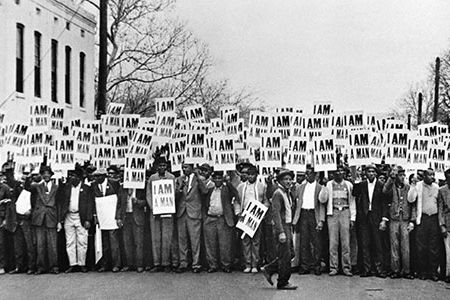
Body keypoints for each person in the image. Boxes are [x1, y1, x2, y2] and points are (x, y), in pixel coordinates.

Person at [262, 168, 297, 290]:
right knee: (285, 255)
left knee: (290, 253)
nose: (288, 181)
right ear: (280, 181)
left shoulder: (288, 192)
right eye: (285, 179)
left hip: (287, 225)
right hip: (281, 226)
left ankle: (269, 269)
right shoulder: (278, 193)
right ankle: (283, 281)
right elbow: (275, 213)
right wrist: (281, 232)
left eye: (290, 179)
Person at [319, 165, 356, 276]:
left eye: (341, 171)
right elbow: (322, 199)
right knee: (333, 242)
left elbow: (352, 202)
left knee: (345, 243)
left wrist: (352, 217)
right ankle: (333, 267)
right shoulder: (329, 184)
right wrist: (324, 186)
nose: (339, 173)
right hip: (333, 213)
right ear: (333, 173)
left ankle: (346, 267)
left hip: (345, 212)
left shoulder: (348, 185)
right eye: (337, 171)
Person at [353, 164, 388, 278]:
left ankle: (379, 269)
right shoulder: (362, 185)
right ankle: (366, 269)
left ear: (376, 173)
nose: (371, 174)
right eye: (369, 172)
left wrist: (384, 219)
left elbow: (384, 204)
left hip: (376, 217)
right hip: (364, 217)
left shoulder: (381, 185)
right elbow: (354, 193)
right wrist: (357, 181)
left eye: (373, 172)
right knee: (364, 244)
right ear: (365, 173)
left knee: (378, 244)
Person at [382, 166, 415, 279]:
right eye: (400, 175)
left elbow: (412, 203)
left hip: (405, 219)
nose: (402, 177)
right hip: (394, 219)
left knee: (405, 246)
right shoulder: (391, 187)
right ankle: (395, 270)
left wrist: (412, 220)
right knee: (394, 245)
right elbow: (384, 190)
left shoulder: (408, 187)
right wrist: (391, 177)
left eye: (403, 175)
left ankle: (406, 270)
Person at [59, 167, 94, 273]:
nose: (71, 177)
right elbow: (61, 202)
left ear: (79, 177)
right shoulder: (66, 188)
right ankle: (72, 263)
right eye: (70, 175)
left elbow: (90, 205)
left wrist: (88, 219)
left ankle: (82, 263)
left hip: (80, 217)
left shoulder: (86, 188)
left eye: (73, 175)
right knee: (70, 241)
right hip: (69, 216)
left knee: (82, 241)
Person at [175, 163, 208, 273]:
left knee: (195, 240)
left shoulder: (199, 179)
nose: (184, 169)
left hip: (193, 213)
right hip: (182, 212)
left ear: (192, 168)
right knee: (182, 239)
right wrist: (179, 188)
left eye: (186, 167)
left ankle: (196, 263)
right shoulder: (179, 179)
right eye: (183, 168)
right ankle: (183, 262)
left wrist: (198, 178)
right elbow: (174, 196)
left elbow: (205, 191)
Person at [203, 171, 239, 273]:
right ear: (213, 179)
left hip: (223, 219)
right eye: (216, 178)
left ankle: (226, 265)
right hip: (211, 218)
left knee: (225, 244)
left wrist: (228, 181)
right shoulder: (209, 190)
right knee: (210, 243)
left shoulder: (227, 189)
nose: (218, 180)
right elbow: (205, 201)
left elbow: (235, 193)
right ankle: (212, 265)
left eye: (220, 178)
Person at [26, 166, 60, 274]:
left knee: (52, 245)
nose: (46, 175)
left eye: (48, 173)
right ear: (41, 175)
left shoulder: (57, 187)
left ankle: (54, 267)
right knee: (40, 245)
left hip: (51, 218)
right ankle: (40, 267)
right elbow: (27, 187)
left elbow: (59, 204)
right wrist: (28, 176)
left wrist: (59, 220)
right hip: (39, 218)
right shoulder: (37, 187)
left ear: (51, 175)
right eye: (43, 173)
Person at [147, 157, 178, 272]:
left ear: (167, 167)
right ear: (156, 167)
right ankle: (157, 263)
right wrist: (154, 208)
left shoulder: (171, 177)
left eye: (164, 165)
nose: (162, 168)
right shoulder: (152, 178)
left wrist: (166, 206)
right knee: (155, 237)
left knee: (167, 237)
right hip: (155, 212)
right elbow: (148, 194)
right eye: (160, 165)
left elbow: (173, 193)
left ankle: (166, 262)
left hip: (167, 211)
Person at [292, 166, 325, 276]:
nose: (306, 176)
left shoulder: (320, 187)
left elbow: (322, 205)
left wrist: (321, 220)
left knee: (316, 242)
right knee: (304, 241)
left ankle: (317, 266)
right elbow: (294, 198)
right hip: (303, 214)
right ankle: (304, 266)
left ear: (315, 175)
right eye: (306, 173)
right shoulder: (301, 187)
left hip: (313, 214)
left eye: (309, 173)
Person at [409, 168, 440, 281]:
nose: (432, 177)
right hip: (423, 219)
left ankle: (433, 272)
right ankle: (422, 272)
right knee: (421, 247)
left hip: (434, 219)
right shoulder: (418, 186)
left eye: (433, 175)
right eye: (430, 175)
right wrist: (413, 185)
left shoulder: (437, 187)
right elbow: (411, 199)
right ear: (425, 176)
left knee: (433, 247)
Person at [236, 165, 269, 273]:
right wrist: (238, 213)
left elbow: (266, 201)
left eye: (252, 175)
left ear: (256, 175)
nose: (250, 177)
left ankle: (255, 264)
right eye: (249, 175)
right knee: (245, 240)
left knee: (256, 241)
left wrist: (262, 211)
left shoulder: (261, 186)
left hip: (256, 216)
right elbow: (236, 201)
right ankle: (247, 264)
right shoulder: (241, 187)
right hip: (245, 214)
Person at [92, 168, 124, 273]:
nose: (96, 178)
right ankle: (105, 264)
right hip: (102, 218)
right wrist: (95, 216)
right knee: (104, 243)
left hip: (112, 217)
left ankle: (116, 264)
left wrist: (119, 217)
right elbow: (94, 202)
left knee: (114, 242)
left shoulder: (114, 184)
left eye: (98, 176)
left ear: (104, 176)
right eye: (95, 176)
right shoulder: (94, 186)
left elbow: (120, 201)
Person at [122, 186, 146, 273]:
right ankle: (129, 264)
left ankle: (139, 265)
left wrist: (138, 201)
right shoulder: (123, 187)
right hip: (126, 216)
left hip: (137, 216)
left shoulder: (141, 187)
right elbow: (119, 202)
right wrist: (118, 217)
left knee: (138, 242)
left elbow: (147, 201)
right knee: (127, 242)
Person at [438, 168, 450, 283]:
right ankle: (447, 274)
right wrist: (442, 225)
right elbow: (440, 209)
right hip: (447, 223)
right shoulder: (442, 191)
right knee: (448, 251)